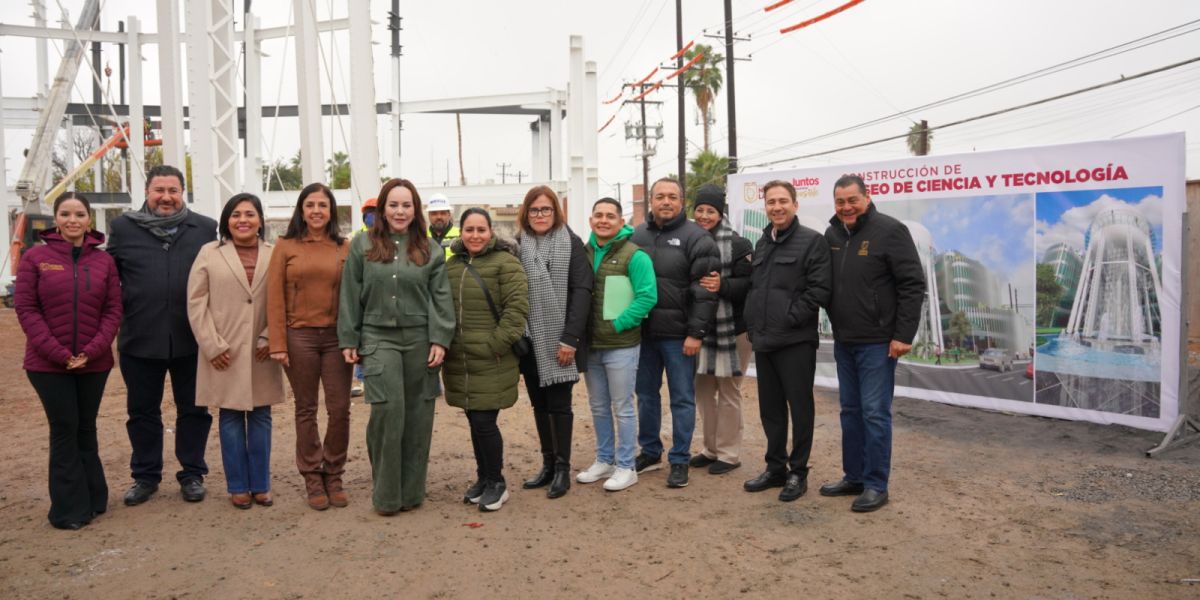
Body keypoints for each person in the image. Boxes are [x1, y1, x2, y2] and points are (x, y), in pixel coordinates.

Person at [338, 178, 454, 516]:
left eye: (406, 205)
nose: (400, 211)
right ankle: (386, 495)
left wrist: (440, 338)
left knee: (418, 416)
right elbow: (349, 294)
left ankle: (411, 492)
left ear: (415, 209)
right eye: (393, 205)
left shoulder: (429, 250)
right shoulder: (362, 246)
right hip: (378, 339)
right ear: (382, 209)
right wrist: (349, 337)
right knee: (389, 412)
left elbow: (441, 298)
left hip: (420, 340)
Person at [107, 164, 217, 506]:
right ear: (147, 192)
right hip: (140, 337)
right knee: (142, 412)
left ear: (182, 193)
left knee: (194, 410)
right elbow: (108, 278)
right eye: (159, 190)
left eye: (173, 190)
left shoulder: (205, 228)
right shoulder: (123, 228)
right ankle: (145, 476)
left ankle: (192, 474)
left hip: (191, 338)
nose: (166, 197)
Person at [15, 192, 122, 529]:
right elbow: (27, 309)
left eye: (79, 214)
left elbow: (113, 309)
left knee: (86, 427)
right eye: (65, 213)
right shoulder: (35, 258)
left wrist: (91, 350)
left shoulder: (104, 262)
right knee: (64, 428)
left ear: (89, 219)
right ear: (56, 218)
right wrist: (60, 354)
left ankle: (94, 496)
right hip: (48, 364)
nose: (72, 220)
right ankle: (69, 510)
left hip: (94, 362)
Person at [819, 174, 925, 513]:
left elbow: (912, 285)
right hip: (845, 340)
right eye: (840, 202)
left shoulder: (891, 231)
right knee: (850, 412)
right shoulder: (832, 233)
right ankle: (854, 476)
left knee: (875, 414)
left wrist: (903, 335)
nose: (846, 207)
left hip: (878, 343)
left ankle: (876, 484)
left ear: (867, 197)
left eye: (852, 200)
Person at [188, 193, 284, 509]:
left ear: (260, 220)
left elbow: (285, 298)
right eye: (235, 214)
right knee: (229, 416)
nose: (242, 219)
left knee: (261, 416)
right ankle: (238, 486)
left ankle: (261, 484)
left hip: (261, 349)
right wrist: (211, 344)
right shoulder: (209, 253)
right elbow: (196, 301)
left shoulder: (276, 253)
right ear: (226, 221)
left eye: (249, 214)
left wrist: (271, 337)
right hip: (223, 349)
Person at [741, 180, 831, 502]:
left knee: (800, 408)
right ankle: (775, 467)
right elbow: (755, 289)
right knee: (771, 410)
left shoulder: (812, 242)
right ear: (765, 206)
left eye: (782, 201)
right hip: (764, 341)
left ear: (794, 204)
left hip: (795, 341)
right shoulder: (762, 243)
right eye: (770, 202)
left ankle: (798, 472)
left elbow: (819, 290)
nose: (776, 207)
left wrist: (790, 318)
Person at [267, 183, 354, 510]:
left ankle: (334, 472)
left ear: (332, 211)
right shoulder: (286, 246)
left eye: (323, 205)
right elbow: (273, 296)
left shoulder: (344, 247)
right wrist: (278, 342)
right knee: (306, 409)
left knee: (339, 409)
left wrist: (353, 338)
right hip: (298, 337)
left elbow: (354, 296)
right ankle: (311, 476)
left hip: (336, 338)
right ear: (301, 211)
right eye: (310, 205)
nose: (316, 211)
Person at [630, 177, 720, 488]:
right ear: (650, 201)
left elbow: (706, 292)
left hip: (680, 337)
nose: (666, 201)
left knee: (682, 399)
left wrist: (696, 333)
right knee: (645, 396)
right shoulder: (636, 235)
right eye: (660, 196)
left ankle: (679, 458)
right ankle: (650, 451)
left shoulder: (698, 238)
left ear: (681, 202)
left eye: (672, 196)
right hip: (642, 335)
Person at [443, 208, 529, 511]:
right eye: (469, 229)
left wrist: (494, 346)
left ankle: (497, 482)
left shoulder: (507, 264)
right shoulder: (452, 266)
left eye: (481, 229)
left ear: (491, 231)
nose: (475, 235)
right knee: (473, 420)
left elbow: (516, 311)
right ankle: (483, 477)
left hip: (492, 359)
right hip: (460, 362)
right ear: (461, 232)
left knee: (484, 422)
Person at [515, 185, 592, 499]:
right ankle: (547, 464)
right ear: (526, 213)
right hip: (530, 339)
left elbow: (582, 292)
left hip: (561, 342)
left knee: (560, 406)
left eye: (546, 209)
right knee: (538, 405)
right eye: (534, 210)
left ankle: (562, 469)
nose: (540, 215)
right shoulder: (517, 246)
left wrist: (570, 338)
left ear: (555, 212)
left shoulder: (571, 243)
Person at [575, 198, 656, 492]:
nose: (604, 220)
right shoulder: (582, 253)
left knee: (622, 406)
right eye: (599, 215)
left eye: (610, 216)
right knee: (598, 407)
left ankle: (626, 465)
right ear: (591, 220)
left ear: (621, 222)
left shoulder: (635, 256)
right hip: (591, 346)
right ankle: (605, 459)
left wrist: (618, 324)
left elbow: (647, 297)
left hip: (621, 345)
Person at [688, 184, 754, 476]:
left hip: (734, 331)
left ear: (720, 213)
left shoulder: (739, 245)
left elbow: (752, 286)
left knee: (729, 392)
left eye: (710, 210)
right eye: (699, 210)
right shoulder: (689, 240)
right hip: (699, 329)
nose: (704, 215)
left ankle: (729, 453)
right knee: (703, 391)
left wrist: (723, 286)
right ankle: (710, 448)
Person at [350, 196, 377, 398]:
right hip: (362, 297)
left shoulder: (389, 238)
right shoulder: (355, 238)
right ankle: (361, 379)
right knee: (361, 339)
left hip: (377, 299)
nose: (372, 217)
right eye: (369, 213)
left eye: (375, 212)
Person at [426, 193, 459, 257]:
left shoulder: (461, 235)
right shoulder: (422, 237)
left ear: (449, 215)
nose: (439, 217)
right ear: (429, 216)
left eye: (443, 213)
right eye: (434, 213)